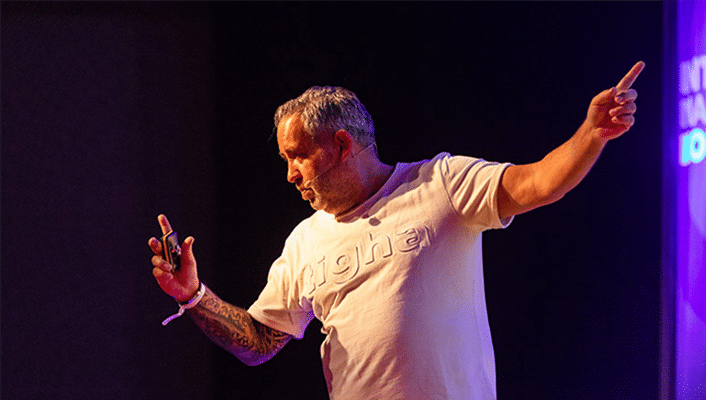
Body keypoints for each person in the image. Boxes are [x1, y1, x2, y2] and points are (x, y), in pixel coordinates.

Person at [148, 61, 644, 399]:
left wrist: (590, 134)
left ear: (342, 145)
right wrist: (194, 295)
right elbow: (258, 341)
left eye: (297, 156)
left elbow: (538, 182)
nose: (290, 175)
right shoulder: (305, 241)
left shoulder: (441, 184)